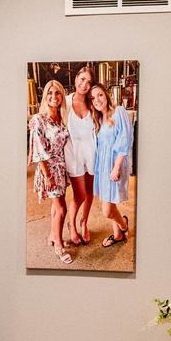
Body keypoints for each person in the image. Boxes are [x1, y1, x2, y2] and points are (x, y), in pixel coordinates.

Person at [28, 79, 73, 264]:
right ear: (45, 96)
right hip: (49, 170)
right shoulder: (38, 119)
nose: (54, 97)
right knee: (62, 208)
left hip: (61, 168)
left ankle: (52, 235)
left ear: (62, 96)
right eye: (50, 93)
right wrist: (47, 175)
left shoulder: (62, 118)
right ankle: (58, 245)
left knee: (56, 207)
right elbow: (39, 149)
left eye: (57, 93)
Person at [91, 80, 133, 248]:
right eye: (93, 98)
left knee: (107, 210)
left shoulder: (119, 112)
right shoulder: (99, 119)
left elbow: (124, 141)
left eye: (100, 95)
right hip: (103, 167)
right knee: (110, 201)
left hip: (114, 165)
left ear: (106, 95)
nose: (97, 100)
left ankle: (123, 225)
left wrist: (116, 168)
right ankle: (117, 235)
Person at [62, 65, 98, 246]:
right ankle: (72, 224)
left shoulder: (93, 104)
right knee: (79, 195)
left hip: (91, 154)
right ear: (76, 78)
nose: (84, 85)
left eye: (88, 82)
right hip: (73, 154)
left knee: (90, 192)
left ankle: (84, 222)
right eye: (82, 79)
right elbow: (49, 114)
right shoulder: (66, 102)